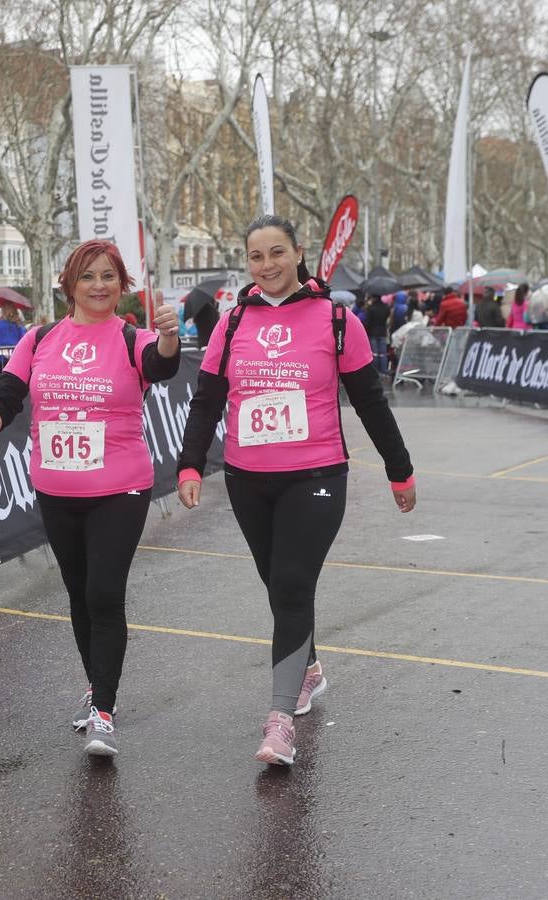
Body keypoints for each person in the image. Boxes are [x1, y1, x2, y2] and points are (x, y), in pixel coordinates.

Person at [176, 215, 415, 767]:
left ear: (299, 253)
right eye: (256, 257)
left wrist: (398, 470)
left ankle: (279, 720)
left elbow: (371, 402)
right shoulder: (232, 322)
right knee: (279, 583)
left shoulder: (336, 319)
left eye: (277, 253)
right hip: (246, 478)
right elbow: (207, 401)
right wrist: (190, 467)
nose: (267, 266)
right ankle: (308, 670)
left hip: (316, 476)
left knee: (288, 582)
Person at [0, 239, 181, 757]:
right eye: (89, 277)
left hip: (120, 487)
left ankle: (104, 710)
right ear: (70, 285)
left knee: (104, 593)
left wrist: (170, 338)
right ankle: (96, 686)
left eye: (108, 276)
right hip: (56, 487)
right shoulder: (39, 339)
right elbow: (6, 395)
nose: (99, 286)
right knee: (80, 595)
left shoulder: (134, 338)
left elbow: (162, 365)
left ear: (121, 284)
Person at [0, 301, 27, 370]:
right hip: (15, 355)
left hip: (0, 356)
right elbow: (23, 339)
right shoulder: (18, 325)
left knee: (1, 374)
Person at [362, 294, 390, 374]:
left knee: (374, 353)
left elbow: (368, 322)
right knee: (382, 353)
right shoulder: (386, 307)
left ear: (374, 298)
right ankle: (384, 370)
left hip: (373, 333)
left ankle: (376, 371)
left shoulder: (371, 308)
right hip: (383, 332)